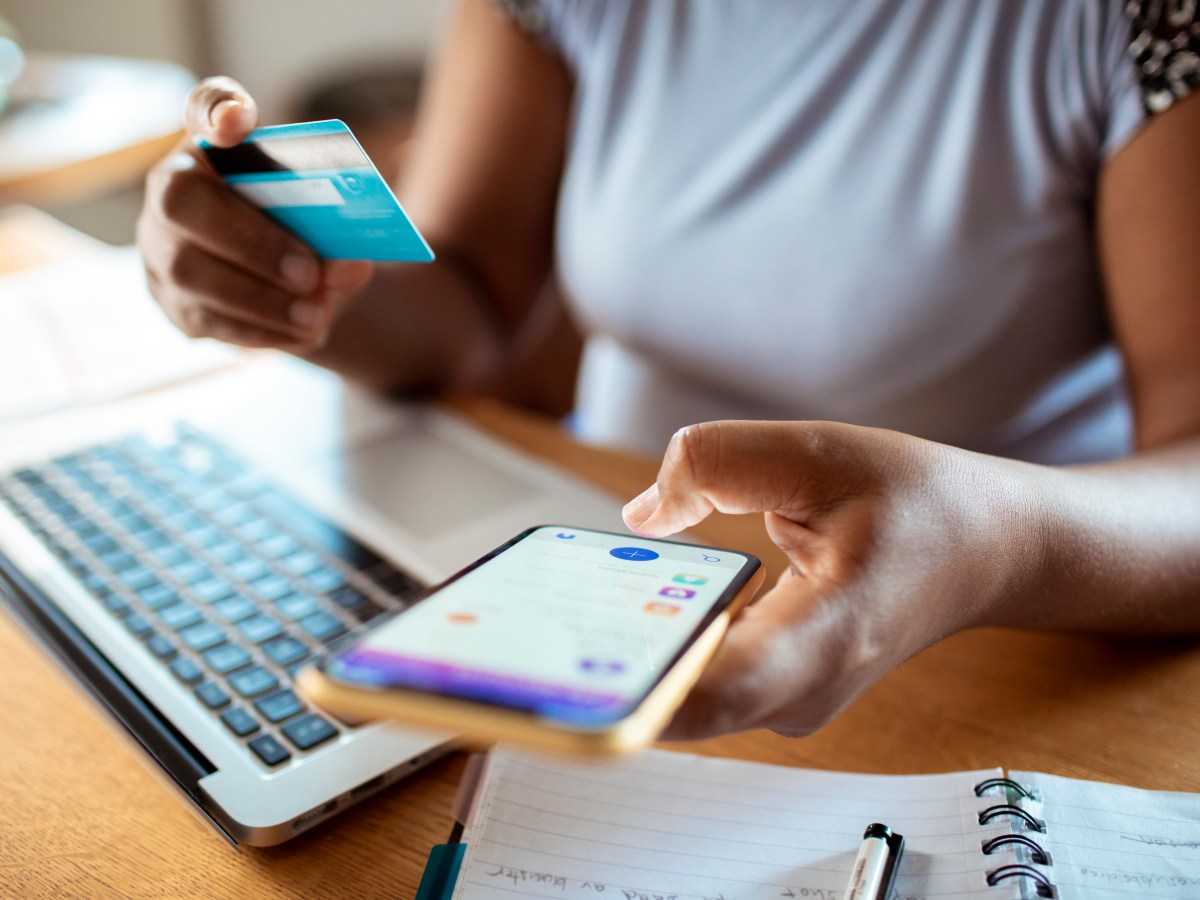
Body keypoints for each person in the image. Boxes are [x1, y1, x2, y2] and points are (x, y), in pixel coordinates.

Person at [137, 0, 1200, 741]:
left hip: (1001, 646)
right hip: (596, 563)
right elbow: (464, 298)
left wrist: (980, 542)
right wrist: (291, 276)